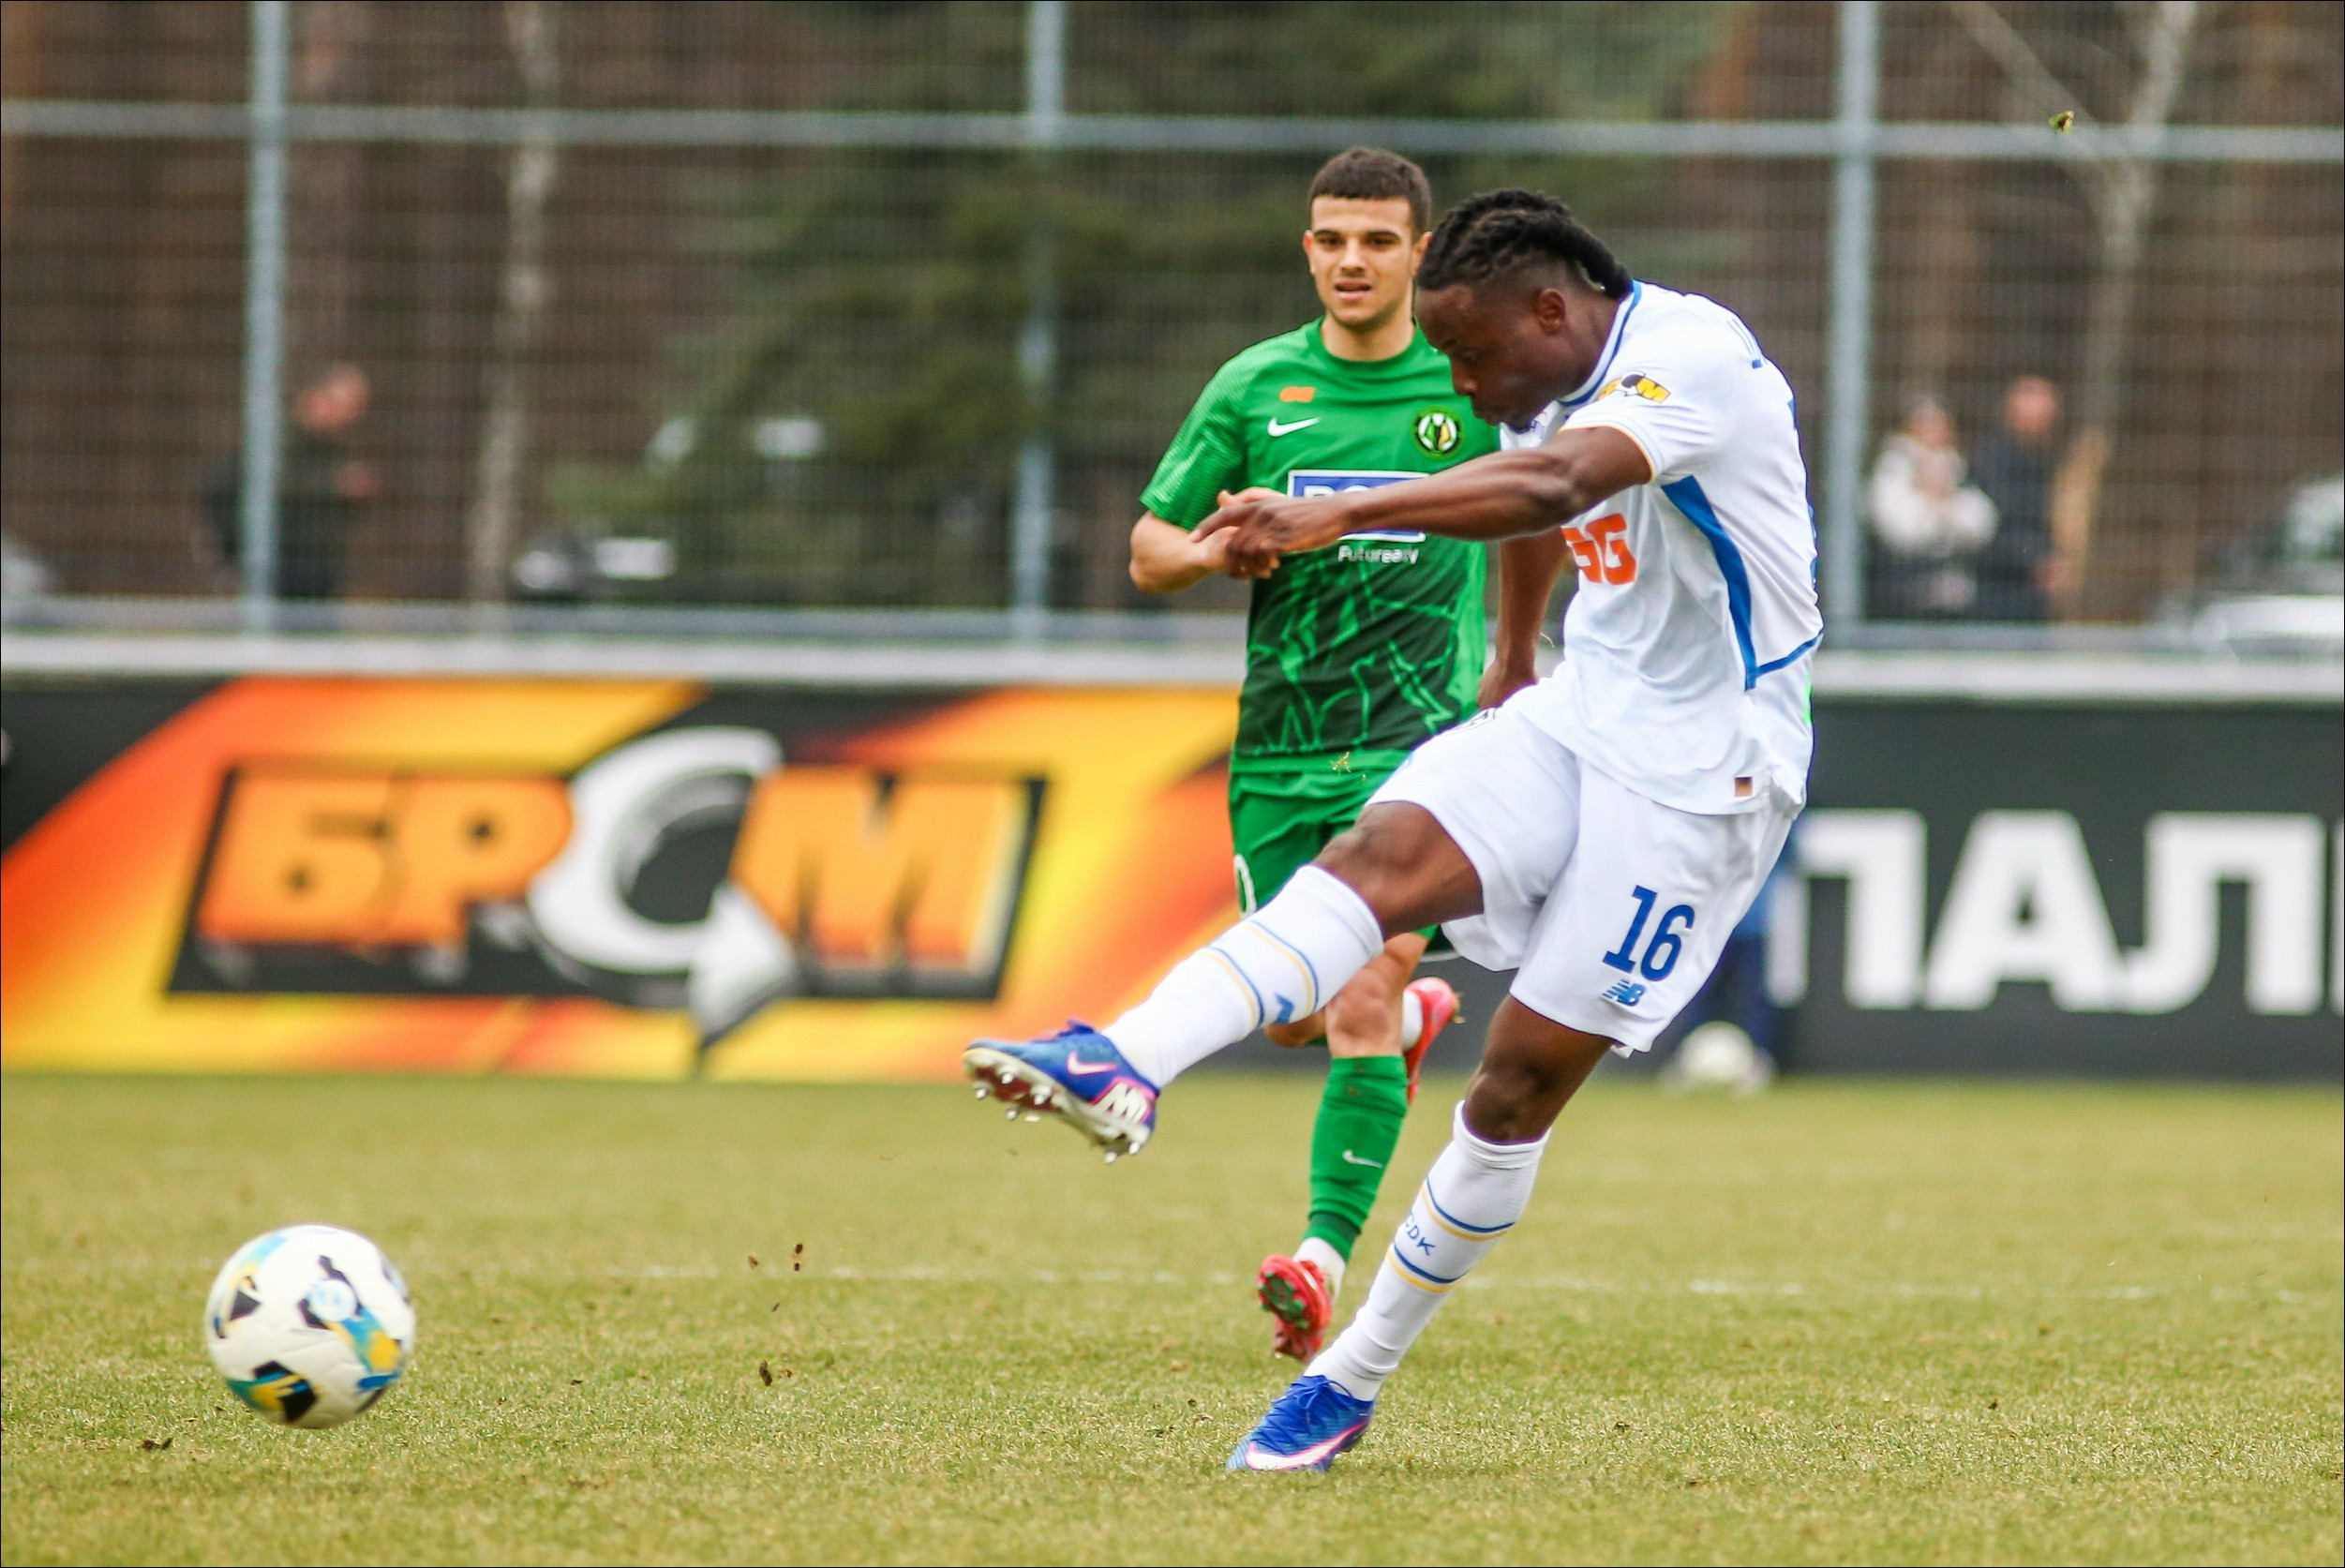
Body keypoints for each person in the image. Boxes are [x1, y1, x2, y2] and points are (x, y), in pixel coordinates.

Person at [962, 188, 1817, 1471]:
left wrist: (1342, 510)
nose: (1460, 382)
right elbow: (1537, 491)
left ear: (1549, 309)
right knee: (1368, 861)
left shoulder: (1691, 357)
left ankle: (1348, 1378)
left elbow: (1553, 477)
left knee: (1513, 1088)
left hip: (1707, 775)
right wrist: (1516, 657)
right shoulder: (1542, 376)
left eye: (1470, 352)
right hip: (1583, 711)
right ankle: (1122, 1059)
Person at [1123, 147, 1491, 1362]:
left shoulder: (1469, 381)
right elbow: (1148, 547)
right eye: (1332, 239)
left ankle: (1320, 1260)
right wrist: (1212, 552)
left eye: (1377, 240)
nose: (1351, 260)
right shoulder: (1255, 386)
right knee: (1296, 1015)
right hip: (1284, 747)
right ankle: (1415, 1018)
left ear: (1419, 253)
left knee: (1358, 997)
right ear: (1307, 249)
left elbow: (1544, 499)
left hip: (1420, 745)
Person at [202, 363, 378, 601]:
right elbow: (242, 490)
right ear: (315, 397)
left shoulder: (334, 451)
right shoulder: (272, 441)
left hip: (316, 582)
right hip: (271, 576)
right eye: (342, 405)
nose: (349, 416)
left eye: (355, 409)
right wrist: (334, 486)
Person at [1864, 395, 1995, 620]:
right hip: (1901, 591)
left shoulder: (1958, 466)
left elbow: (1983, 525)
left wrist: (1945, 499)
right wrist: (1929, 500)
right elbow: (1900, 532)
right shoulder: (1892, 469)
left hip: (1955, 593)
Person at [1969, 375, 2064, 622]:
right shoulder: (1993, 460)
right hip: (1997, 587)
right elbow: (1995, 522)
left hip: (2027, 589)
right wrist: (2036, 560)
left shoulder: (2037, 460)